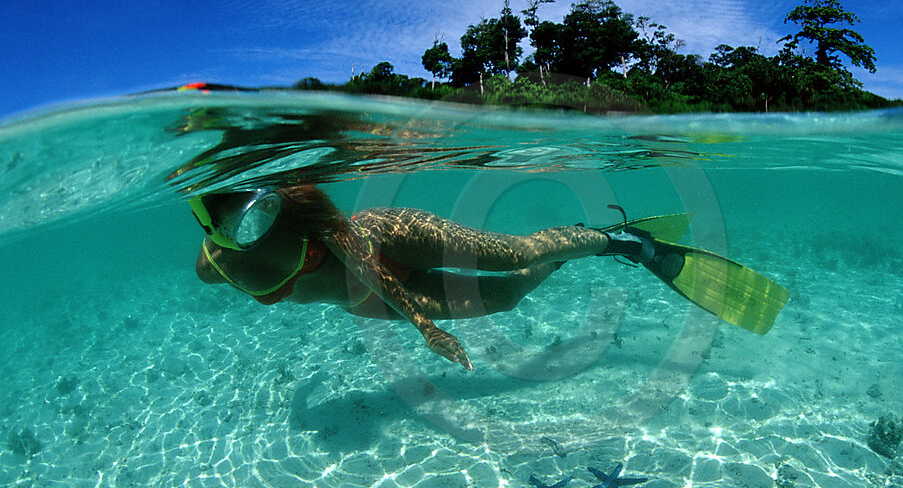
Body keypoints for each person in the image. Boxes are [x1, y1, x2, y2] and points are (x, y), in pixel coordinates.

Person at [190, 185, 788, 370]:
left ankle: (622, 242)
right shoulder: (216, 267)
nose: (262, 225)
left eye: (264, 208)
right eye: (245, 224)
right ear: (213, 231)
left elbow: (370, 271)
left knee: (508, 254)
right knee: (505, 295)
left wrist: (424, 328)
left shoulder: (305, 214)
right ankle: (576, 249)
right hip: (360, 302)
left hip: (384, 245)